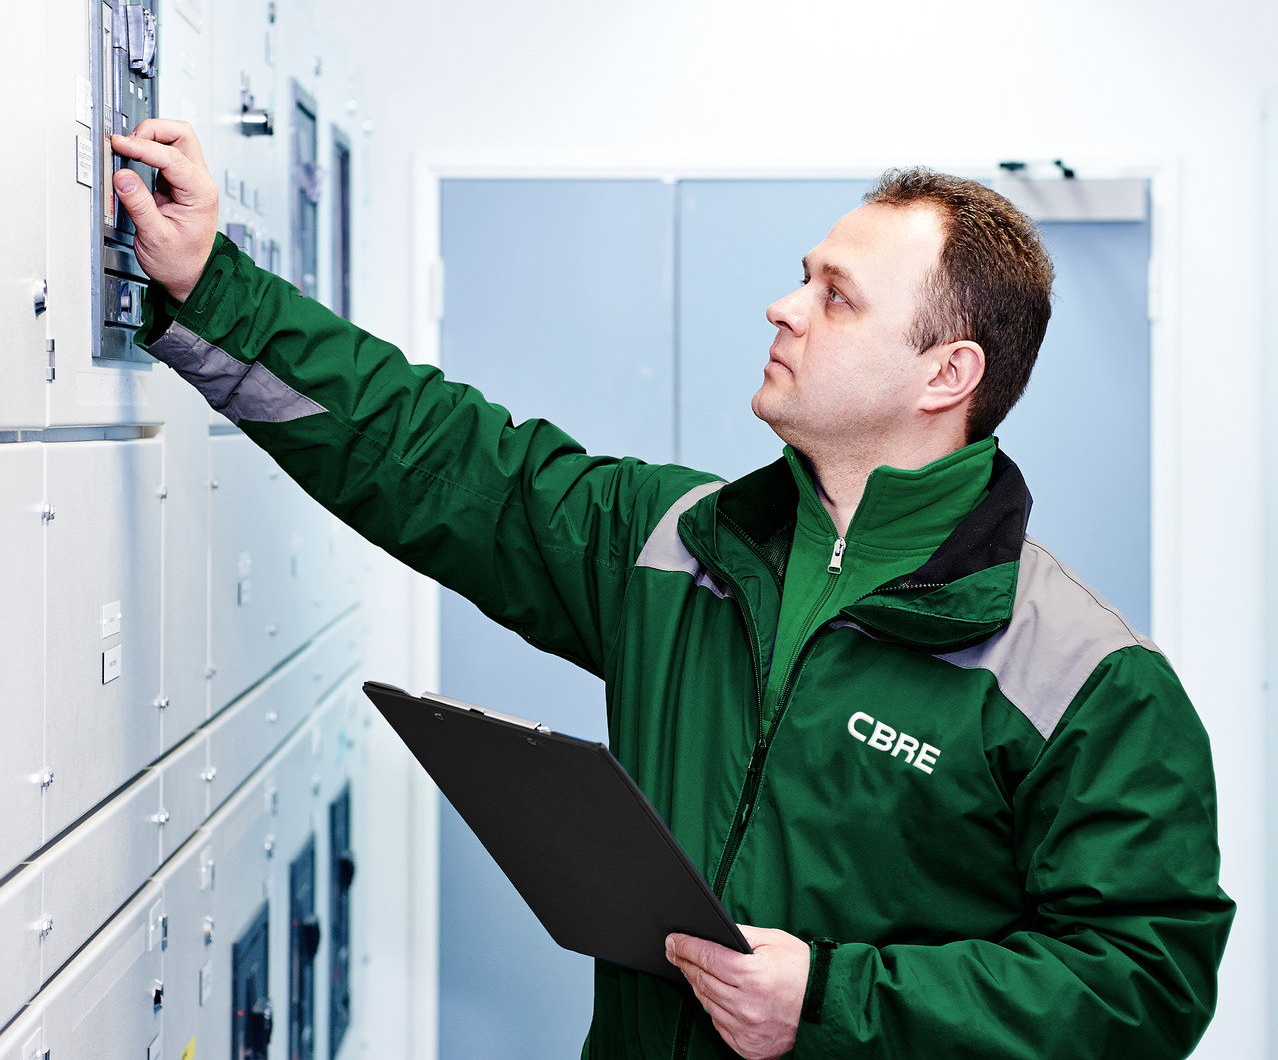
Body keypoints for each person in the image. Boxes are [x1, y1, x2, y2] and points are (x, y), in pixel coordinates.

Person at [110, 120, 1232, 1060]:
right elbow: (437, 455)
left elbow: (1146, 979)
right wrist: (216, 290)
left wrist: (834, 997)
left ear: (947, 373)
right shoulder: (677, 543)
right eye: (804, 278)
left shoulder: (1088, 678)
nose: (784, 308)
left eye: (836, 297)